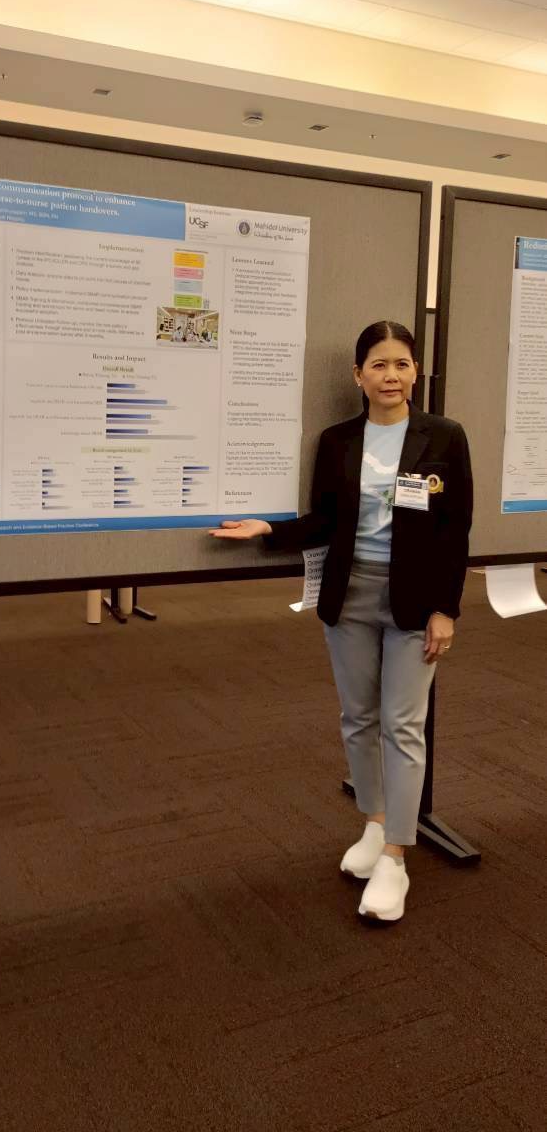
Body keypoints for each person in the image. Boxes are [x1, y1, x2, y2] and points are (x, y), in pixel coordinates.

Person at [210, 321, 472, 923]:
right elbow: (325, 520)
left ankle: (397, 858)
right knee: (358, 719)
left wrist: (446, 609)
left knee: (403, 725)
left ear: (416, 372)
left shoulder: (444, 436)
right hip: (348, 598)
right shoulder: (337, 441)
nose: (391, 376)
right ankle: (376, 825)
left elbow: (455, 530)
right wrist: (270, 530)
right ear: (358, 375)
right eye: (378, 365)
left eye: (401, 364)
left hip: (415, 603)